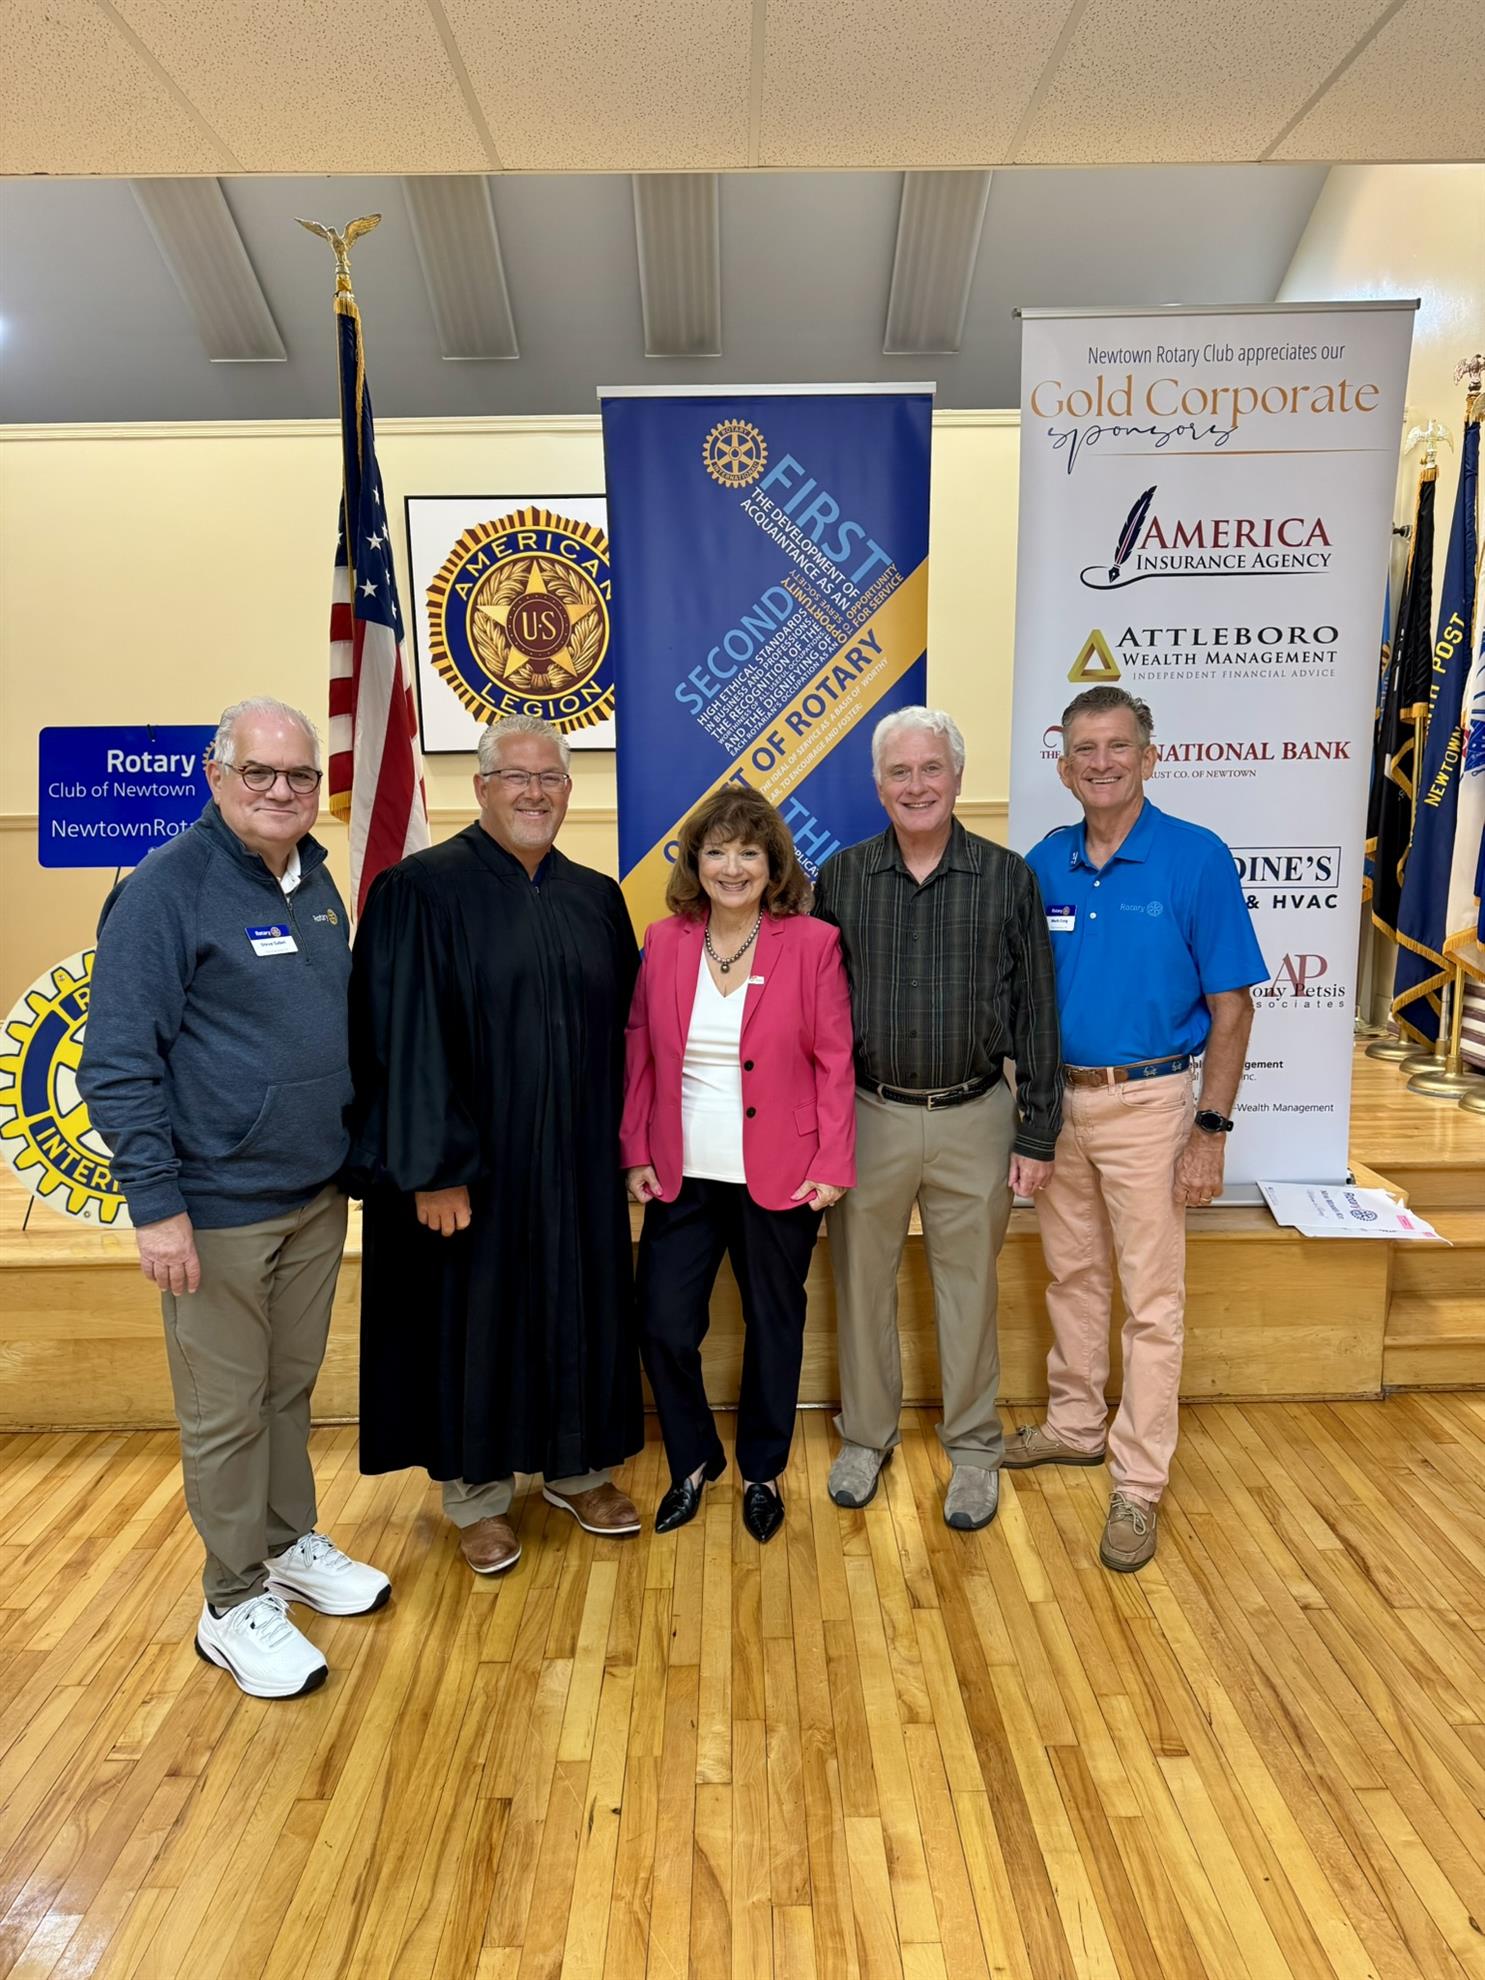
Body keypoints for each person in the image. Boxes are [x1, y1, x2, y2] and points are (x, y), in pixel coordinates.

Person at [78, 697, 388, 1701]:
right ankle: (231, 1601)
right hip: (213, 1208)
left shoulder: (317, 881)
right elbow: (116, 1063)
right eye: (259, 771)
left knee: (286, 1392)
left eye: (299, 775)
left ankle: (287, 1545)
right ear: (215, 776)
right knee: (224, 1414)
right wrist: (156, 1207)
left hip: (311, 1196)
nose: (281, 791)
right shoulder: (164, 891)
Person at [347, 714, 643, 1577]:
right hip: (472, 1169)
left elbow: (630, 1034)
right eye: (516, 777)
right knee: (474, 1322)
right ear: (480, 788)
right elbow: (398, 1039)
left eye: (550, 778)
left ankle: (577, 1469)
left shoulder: (595, 897)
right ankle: (476, 1495)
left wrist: (630, 1146)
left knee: (578, 1305)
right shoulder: (419, 890)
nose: (534, 793)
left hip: (577, 1162)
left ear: (568, 792)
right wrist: (433, 1168)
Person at [1008, 685, 1265, 1573]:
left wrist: (1209, 1131)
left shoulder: (1195, 858)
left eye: (1118, 746)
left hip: (1151, 1106)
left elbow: (1232, 1009)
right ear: (1062, 767)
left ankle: (1138, 1483)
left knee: (1151, 1302)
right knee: (1072, 1276)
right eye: (1084, 749)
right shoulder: (1043, 863)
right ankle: (1075, 1425)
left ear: (1149, 757)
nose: (1101, 763)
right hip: (1057, 1106)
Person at [814, 707, 1062, 1530]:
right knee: (860, 1284)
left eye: (930, 769)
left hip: (974, 1115)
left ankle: (975, 1449)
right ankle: (865, 1438)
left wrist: (1037, 1130)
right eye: (899, 771)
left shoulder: (1007, 877)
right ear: (877, 784)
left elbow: (1037, 1011)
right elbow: (816, 1013)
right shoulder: (841, 878)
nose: (915, 785)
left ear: (956, 777)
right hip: (869, 1114)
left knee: (968, 1291)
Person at [622, 786, 855, 1544]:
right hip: (681, 1173)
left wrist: (833, 1160)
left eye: (748, 852)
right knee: (662, 1324)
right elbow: (639, 1050)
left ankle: (762, 1471)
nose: (731, 867)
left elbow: (835, 1060)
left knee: (774, 1325)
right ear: (694, 862)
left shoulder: (812, 943)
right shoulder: (664, 941)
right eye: (716, 851)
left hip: (783, 1172)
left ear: (772, 864)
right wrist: (634, 1150)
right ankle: (692, 1460)